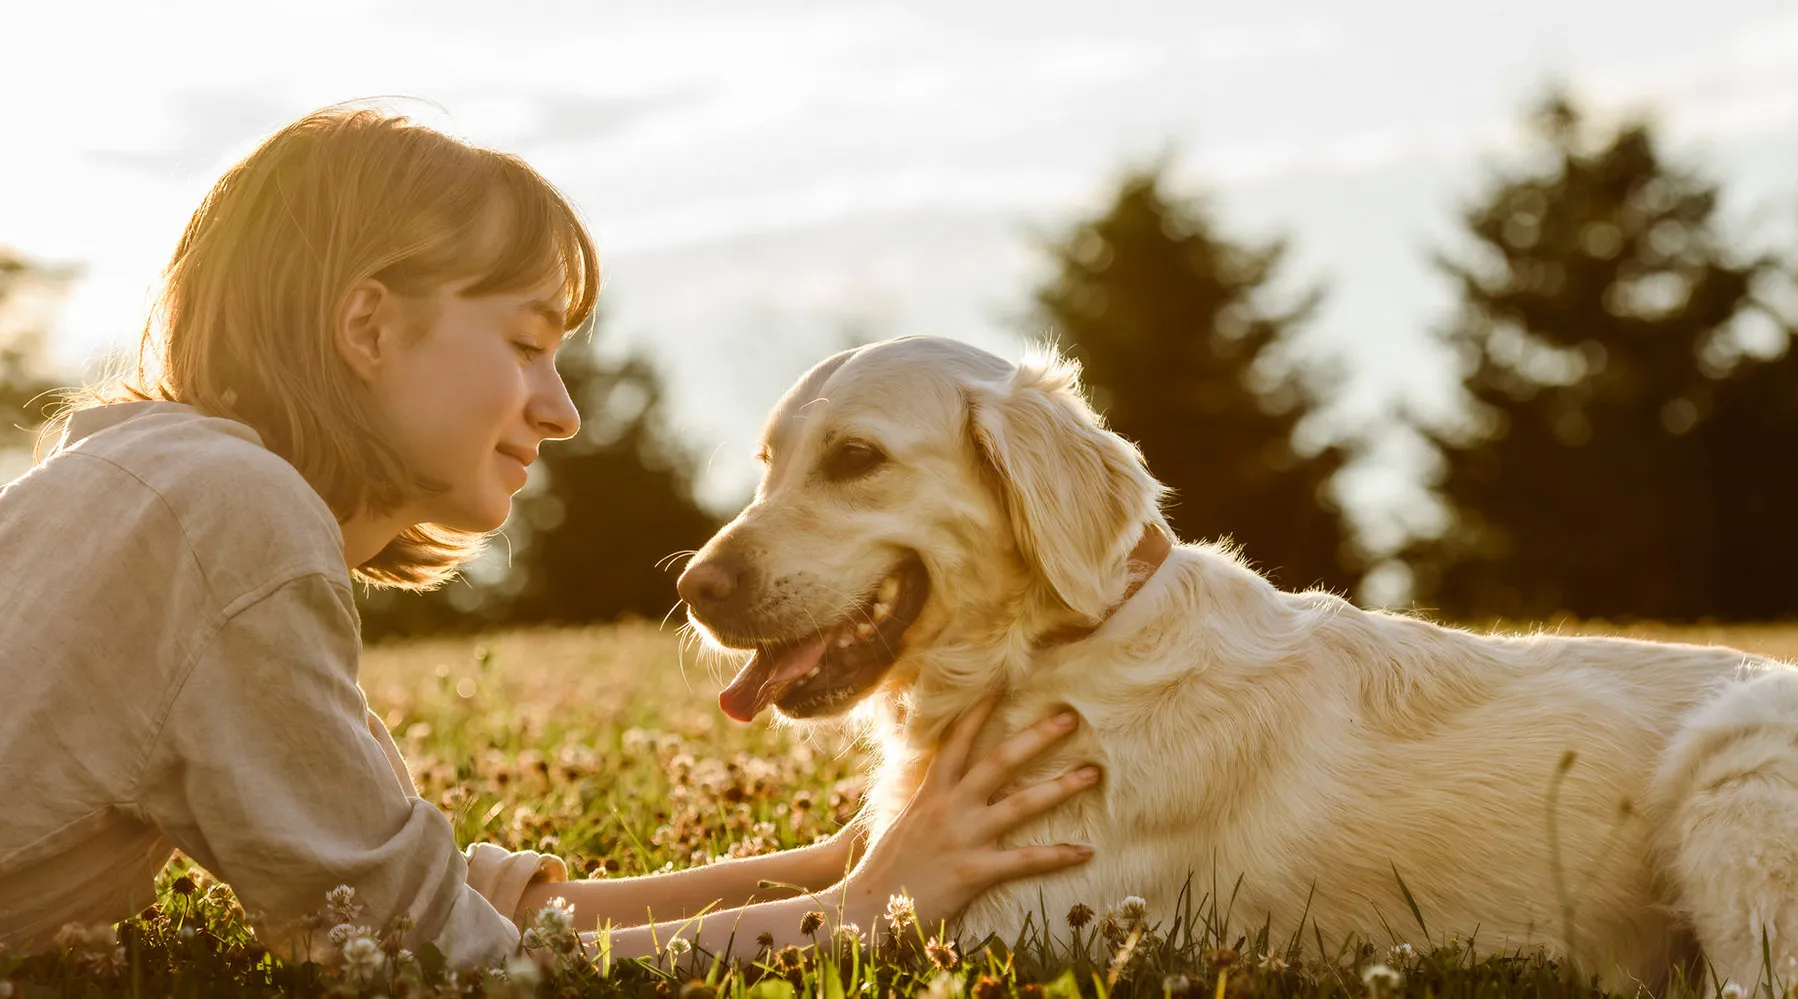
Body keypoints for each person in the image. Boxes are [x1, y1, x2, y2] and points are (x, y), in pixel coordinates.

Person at [0, 104, 1096, 967]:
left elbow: (437, 900)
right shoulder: (230, 513)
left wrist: (828, 865)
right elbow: (426, 955)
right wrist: (863, 914)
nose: (561, 410)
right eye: (526, 345)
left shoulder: (166, 494)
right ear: (368, 325)